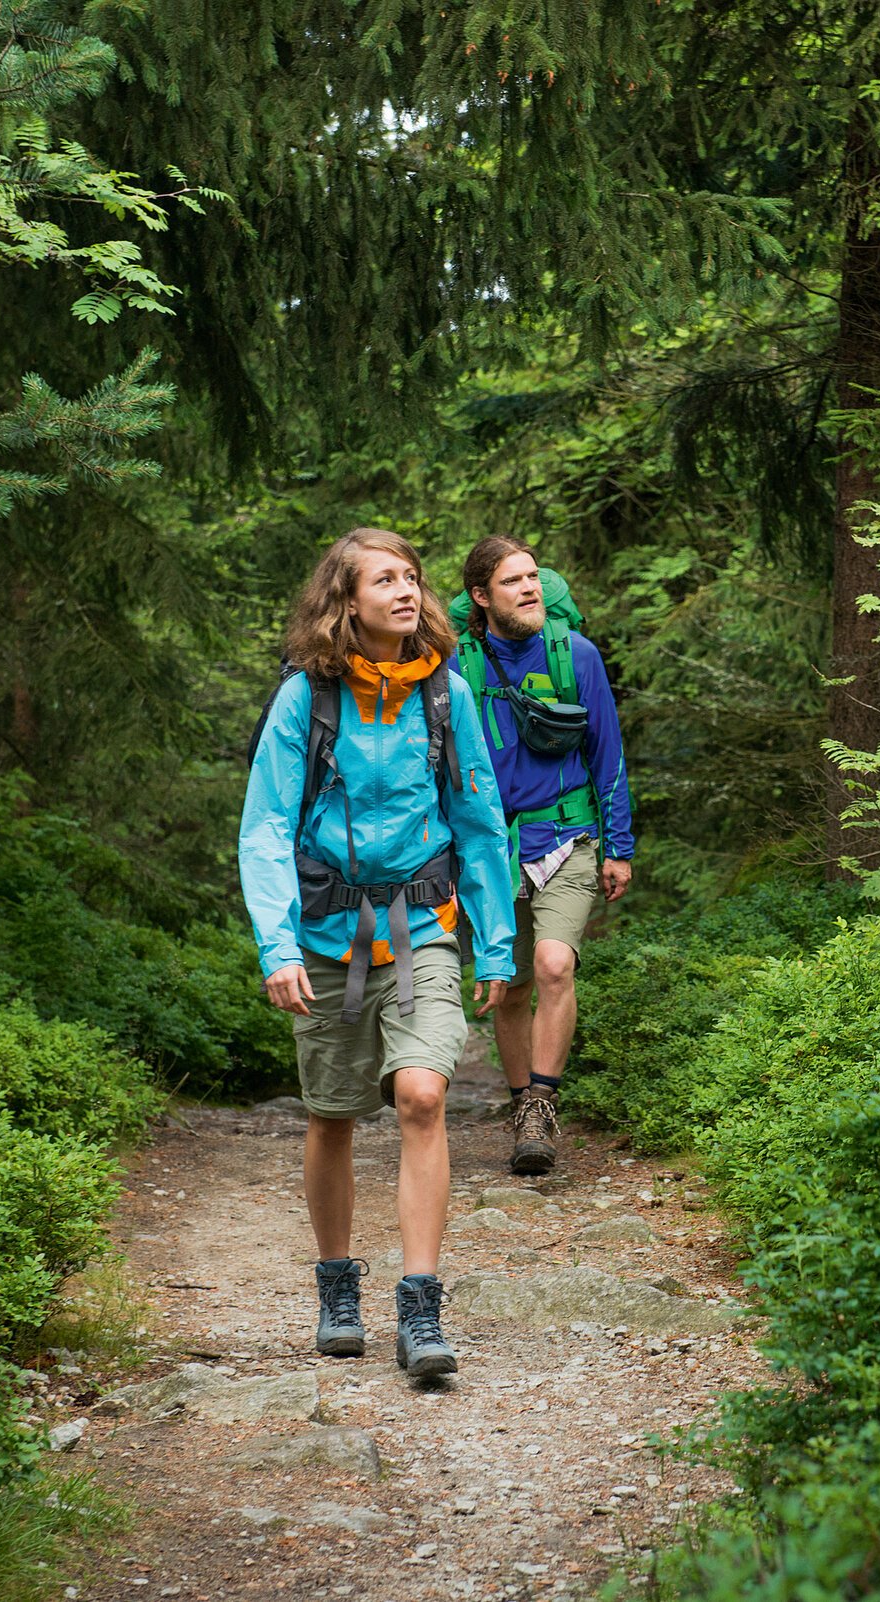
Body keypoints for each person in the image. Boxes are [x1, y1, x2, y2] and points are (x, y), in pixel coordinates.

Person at [238, 527, 516, 1376]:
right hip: (325, 937)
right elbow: (266, 827)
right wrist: (276, 944)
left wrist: (495, 943)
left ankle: (422, 1310)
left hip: (422, 930)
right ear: (345, 601)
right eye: (383, 580)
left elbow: (478, 820)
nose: (405, 591)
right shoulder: (306, 700)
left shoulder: (445, 694)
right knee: (331, 1115)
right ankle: (336, 1289)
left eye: (411, 577)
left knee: (423, 1096)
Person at [454, 537, 634, 1175]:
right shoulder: (458, 666)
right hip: (492, 850)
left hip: (568, 837)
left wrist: (620, 845)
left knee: (555, 966)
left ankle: (541, 1104)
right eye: (513, 581)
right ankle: (517, 1100)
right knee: (511, 986)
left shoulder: (576, 654)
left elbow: (606, 752)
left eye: (534, 577)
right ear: (482, 596)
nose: (530, 588)